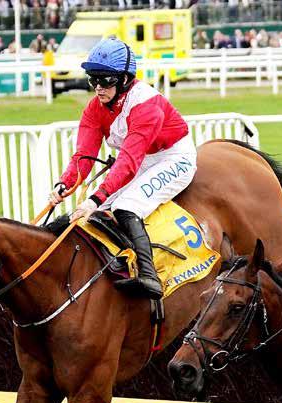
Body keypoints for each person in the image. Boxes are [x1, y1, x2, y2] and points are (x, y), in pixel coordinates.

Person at [49, 38, 196, 300]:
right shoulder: (94, 108)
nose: (98, 87)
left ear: (125, 79)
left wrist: (96, 198)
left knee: (126, 207)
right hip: (141, 160)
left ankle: (149, 276)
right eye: (93, 80)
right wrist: (64, 184)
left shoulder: (146, 105)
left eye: (105, 80)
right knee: (94, 214)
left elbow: (128, 161)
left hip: (173, 158)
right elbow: (84, 154)